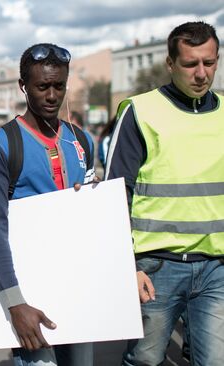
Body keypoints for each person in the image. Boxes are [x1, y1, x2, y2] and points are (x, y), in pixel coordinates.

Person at [105, 21, 224, 366]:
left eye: (209, 62)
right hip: (156, 269)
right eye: (190, 64)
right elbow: (115, 196)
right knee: (145, 361)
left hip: (215, 269)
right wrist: (126, 265)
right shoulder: (140, 111)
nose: (201, 73)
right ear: (170, 64)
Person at [0, 43, 95, 366]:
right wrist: (15, 304)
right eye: (42, 86)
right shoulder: (1, 146)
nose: (52, 95)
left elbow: (93, 219)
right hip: (30, 296)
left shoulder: (82, 141)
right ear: (23, 86)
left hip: (78, 291)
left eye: (59, 86)